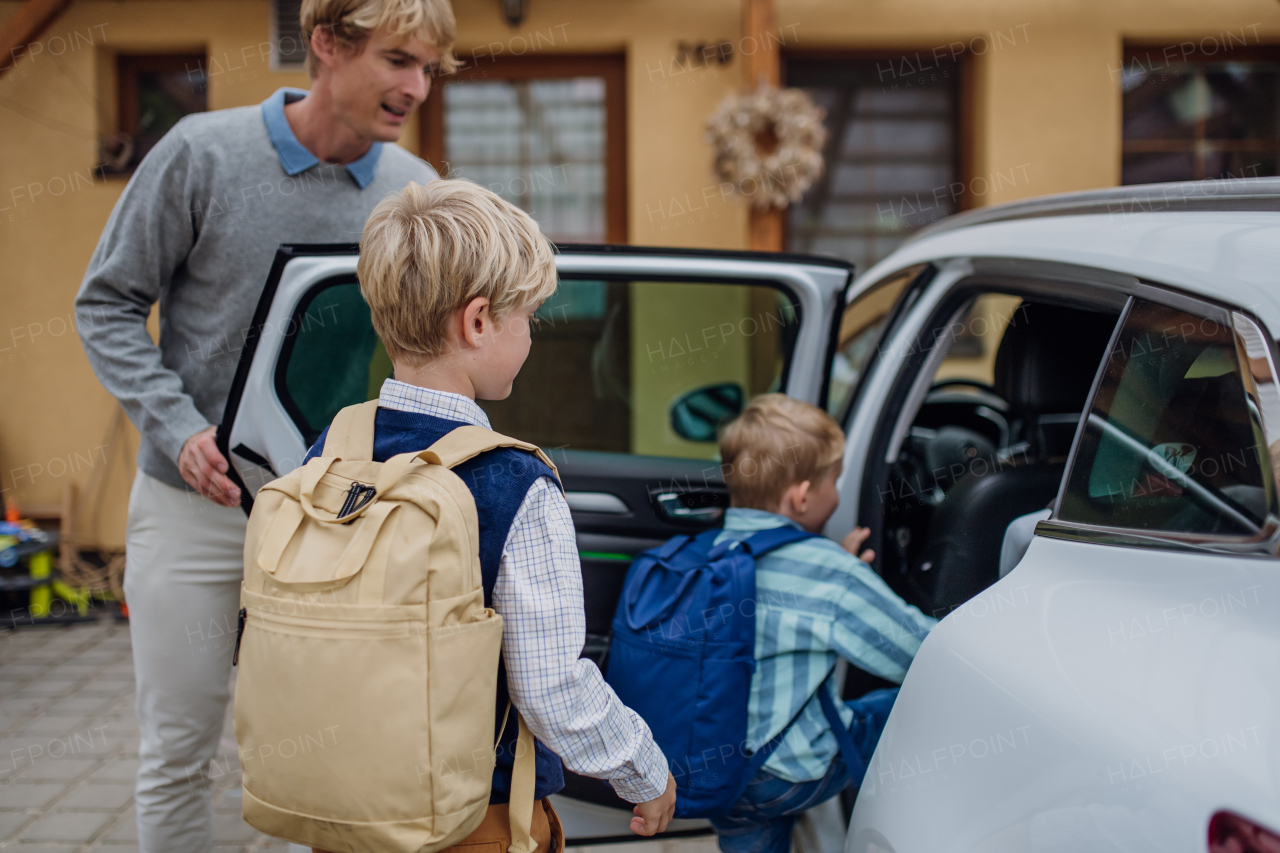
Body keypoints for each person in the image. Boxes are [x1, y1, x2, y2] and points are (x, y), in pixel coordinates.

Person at [73, 0, 455, 848]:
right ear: (326, 44)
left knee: (309, 749)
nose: (416, 86)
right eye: (398, 59)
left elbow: (425, 345)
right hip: (193, 506)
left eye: (429, 67)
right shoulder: (200, 154)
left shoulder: (412, 189)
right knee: (178, 748)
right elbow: (106, 304)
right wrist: (178, 428)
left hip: (333, 511)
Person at [302, 179, 677, 853]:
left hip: (343, 802)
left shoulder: (332, 450)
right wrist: (642, 767)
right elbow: (549, 688)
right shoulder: (512, 483)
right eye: (528, 315)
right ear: (478, 322)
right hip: (470, 819)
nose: (531, 334)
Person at [709, 394, 938, 853]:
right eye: (836, 479)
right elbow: (919, 655)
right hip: (787, 775)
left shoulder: (708, 553)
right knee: (912, 704)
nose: (838, 491)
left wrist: (837, 571)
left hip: (712, 768)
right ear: (802, 496)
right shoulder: (828, 573)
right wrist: (845, 576)